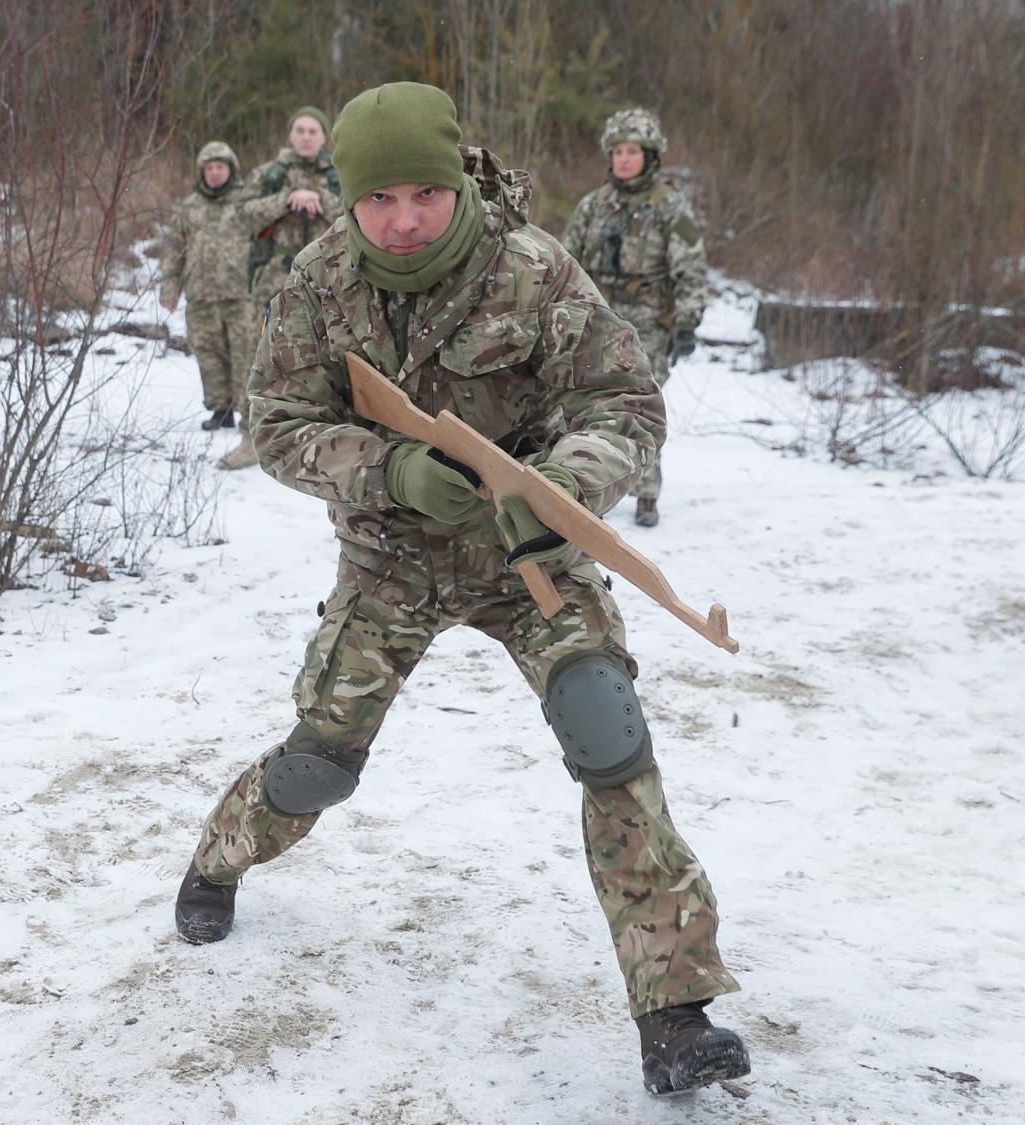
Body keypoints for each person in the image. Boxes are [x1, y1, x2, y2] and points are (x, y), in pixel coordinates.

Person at [173, 82, 750, 1097]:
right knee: (321, 761)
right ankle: (217, 859)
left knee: (604, 725)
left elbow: (622, 400)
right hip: (389, 560)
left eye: (424, 194)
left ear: (456, 184)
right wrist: (382, 470)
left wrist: (561, 484)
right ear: (346, 198)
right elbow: (274, 425)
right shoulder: (315, 282)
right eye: (378, 197)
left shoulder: (531, 270)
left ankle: (673, 1010)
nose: (402, 219)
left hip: (526, 555)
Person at [560, 108, 707, 527]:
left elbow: (691, 268)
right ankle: (591, 486)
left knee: (641, 407)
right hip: (599, 320)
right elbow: (566, 262)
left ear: (650, 155)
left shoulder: (670, 208)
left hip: (648, 326)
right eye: (618, 151)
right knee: (586, 405)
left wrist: (686, 322)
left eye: (633, 151)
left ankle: (646, 491)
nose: (624, 159)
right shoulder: (594, 206)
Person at [216, 106, 343, 471]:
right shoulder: (269, 175)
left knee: (328, 358)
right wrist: (285, 199)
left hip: (328, 281)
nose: (305, 136)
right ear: (290, 135)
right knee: (256, 356)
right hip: (273, 279)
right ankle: (250, 437)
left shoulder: (340, 175)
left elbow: (362, 215)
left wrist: (322, 202)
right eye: (300, 129)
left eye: (313, 130)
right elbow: (238, 216)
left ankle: (328, 439)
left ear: (323, 137)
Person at [160, 141, 294, 434]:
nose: (215, 173)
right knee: (209, 354)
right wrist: (169, 287)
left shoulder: (244, 203)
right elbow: (174, 250)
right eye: (209, 168)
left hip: (241, 296)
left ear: (231, 169)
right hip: (200, 296)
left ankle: (249, 413)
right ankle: (221, 411)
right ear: (201, 172)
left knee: (245, 355)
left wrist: (294, 195)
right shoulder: (189, 208)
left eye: (220, 167)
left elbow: (274, 207)